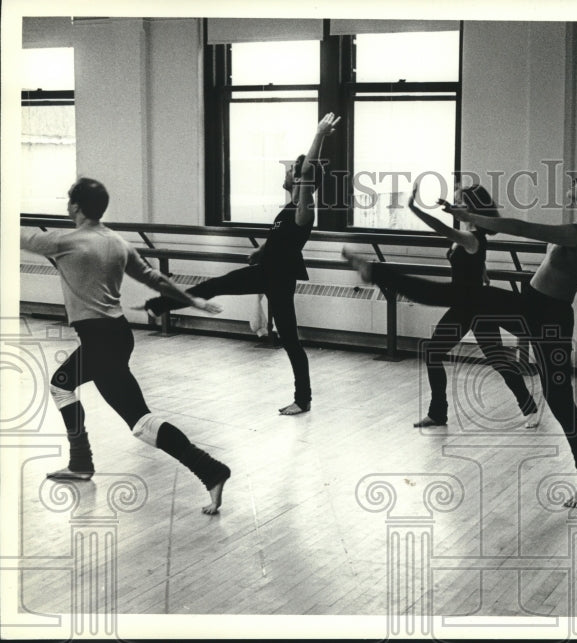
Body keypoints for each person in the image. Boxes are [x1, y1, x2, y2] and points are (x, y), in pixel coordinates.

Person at [21, 178, 232, 514]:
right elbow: (155, 278)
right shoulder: (117, 242)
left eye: (68, 201)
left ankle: (210, 470)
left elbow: (19, 236)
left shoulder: (65, 240)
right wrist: (193, 300)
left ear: (74, 206)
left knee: (135, 421)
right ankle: (81, 462)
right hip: (117, 335)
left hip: (101, 341)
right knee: (71, 388)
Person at [443, 160, 577, 508]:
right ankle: (502, 365)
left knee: (558, 399)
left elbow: (521, 227)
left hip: (550, 320)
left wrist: (473, 217)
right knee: (475, 302)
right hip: (531, 306)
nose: (574, 179)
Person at [142, 113, 340, 415]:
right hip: (266, 272)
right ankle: (159, 305)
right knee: (214, 286)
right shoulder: (287, 211)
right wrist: (262, 251)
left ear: (301, 179)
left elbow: (309, 171)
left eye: (293, 171)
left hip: (278, 280)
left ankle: (303, 399)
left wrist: (319, 135)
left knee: (290, 341)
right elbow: (281, 241)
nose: (287, 173)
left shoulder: (304, 208)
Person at [343, 182, 539, 428]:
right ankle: (439, 414)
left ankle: (373, 270)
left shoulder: (470, 237)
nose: (455, 206)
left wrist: (414, 208)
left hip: (469, 302)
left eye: (460, 202)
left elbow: (443, 230)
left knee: (424, 295)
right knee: (444, 352)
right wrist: (482, 271)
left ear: (472, 209)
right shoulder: (471, 239)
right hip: (465, 304)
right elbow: (473, 259)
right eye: (455, 201)